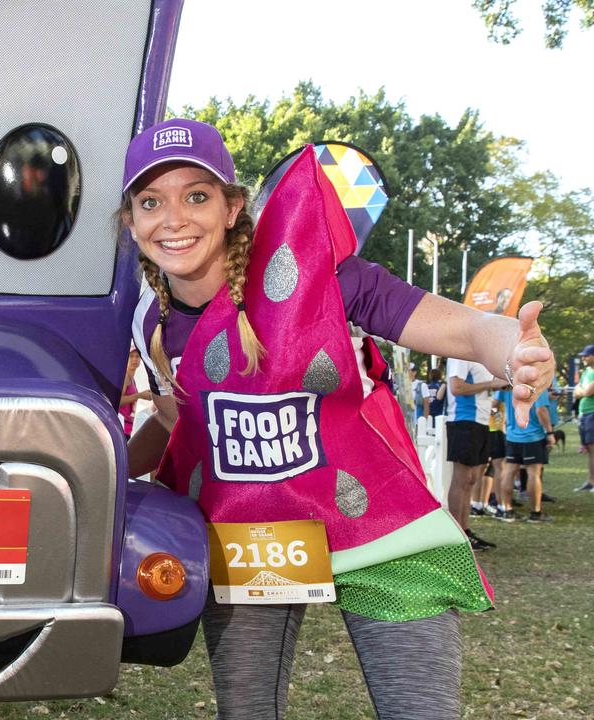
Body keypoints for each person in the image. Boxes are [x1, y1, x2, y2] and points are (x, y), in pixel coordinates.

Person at [122, 118, 554, 720]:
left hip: (379, 524)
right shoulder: (150, 321)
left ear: (232, 207)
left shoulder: (319, 275)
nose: (174, 218)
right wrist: (101, 470)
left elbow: (461, 326)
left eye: (197, 195)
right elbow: (175, 422)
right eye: (150, 202)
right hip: (254, 536)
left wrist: (513, 350)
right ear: (131, 221)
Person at [445, 356, 510, 545]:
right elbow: (456, 387)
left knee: (472, 479)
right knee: (462, 479)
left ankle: (465, 532)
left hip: (482, 421)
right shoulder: (460, 355)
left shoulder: (483, 359)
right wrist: (491, 384)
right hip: (463, 420)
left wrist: (496, 385)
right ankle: (457, 537)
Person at [494, 383, 556, 522]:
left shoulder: (508, 383)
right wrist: (550, 432)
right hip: (533, 435)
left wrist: (497, 420)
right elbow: (541, 410)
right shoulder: (537, 384)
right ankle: (535, 512)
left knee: (509, 471)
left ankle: (507, 509)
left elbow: (495, 403)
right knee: (534, 474)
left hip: (511, 435)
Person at [573, 344, 594, 492]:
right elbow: (577, 390)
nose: (584, 358)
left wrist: (581, 391)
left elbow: (587, 392)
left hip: (592, 414)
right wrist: (582, 391)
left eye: (586, 355)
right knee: (589, 450)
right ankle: (591, 481)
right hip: (583, 414)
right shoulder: (586, 371)